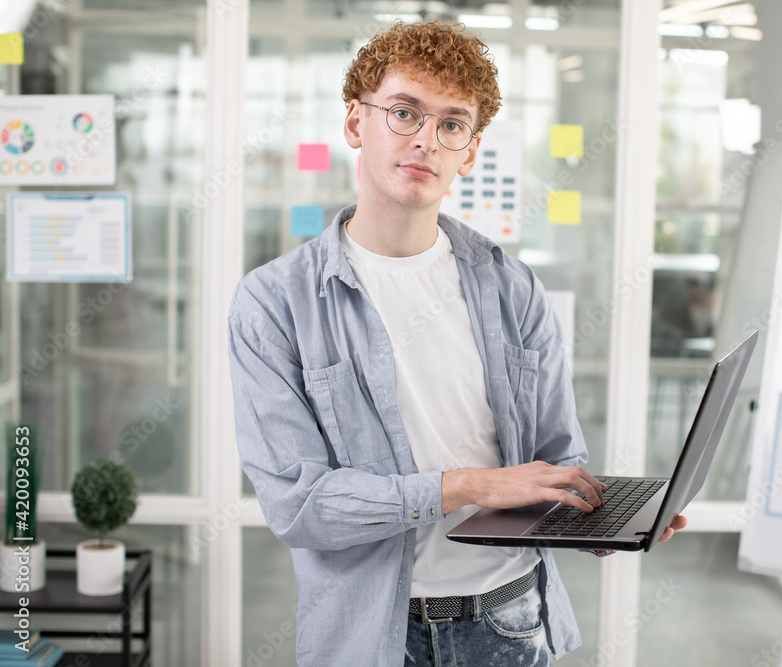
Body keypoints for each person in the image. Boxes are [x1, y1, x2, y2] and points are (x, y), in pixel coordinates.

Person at [228, 20, 686, 667]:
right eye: (404, 112)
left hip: (508, 619)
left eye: (451, 124)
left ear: (469, 151)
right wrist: (469, 484)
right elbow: (301, 508)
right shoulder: (275, 302)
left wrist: (604, 523)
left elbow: (555, 456)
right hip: (371, 636)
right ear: (356, 123)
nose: (425, 140)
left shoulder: (510, 285)